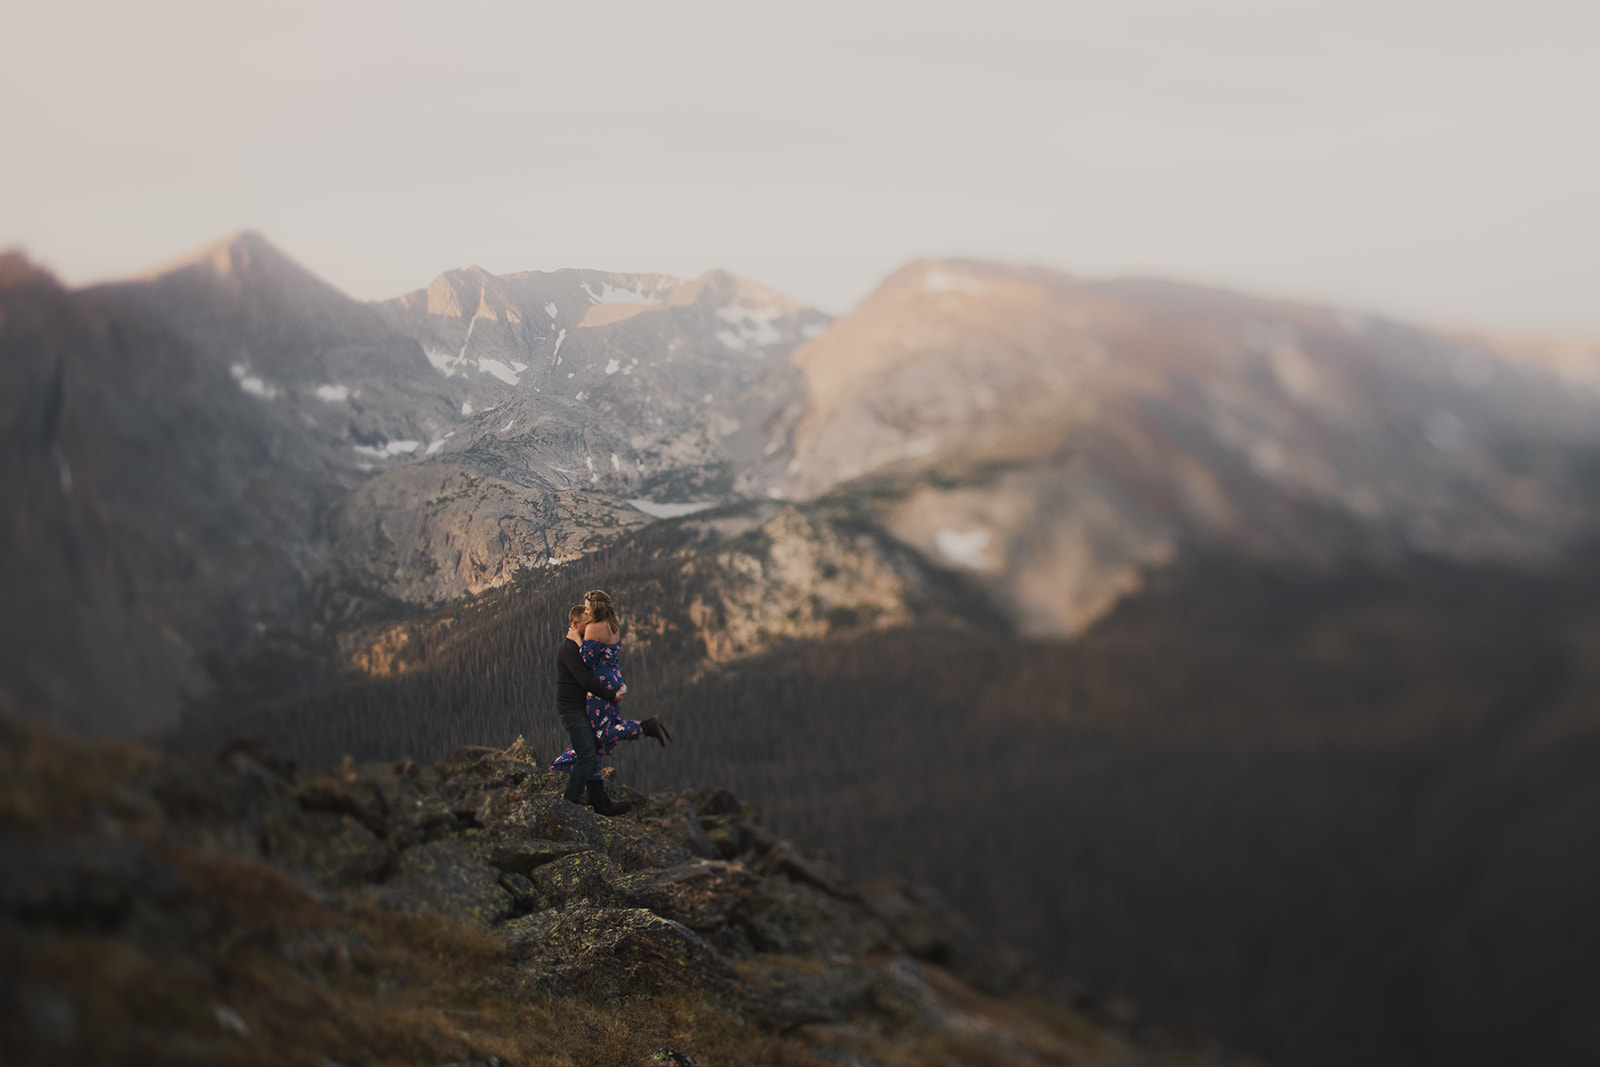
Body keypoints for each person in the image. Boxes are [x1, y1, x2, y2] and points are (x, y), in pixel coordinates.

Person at [551, 591, 674, 814]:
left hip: (600, 690)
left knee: (600, 737)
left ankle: (646, 726)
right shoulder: (611, 624)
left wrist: (579, 640)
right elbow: (605, 660)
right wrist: (617, 685)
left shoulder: (591, 629)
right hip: (611, 681)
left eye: (589, 609)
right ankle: (601, 803)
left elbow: (587, 665)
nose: (587, 613)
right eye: (585, 612)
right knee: (595, 746)